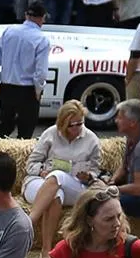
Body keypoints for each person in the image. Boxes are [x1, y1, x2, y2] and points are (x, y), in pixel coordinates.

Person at [22, 99, 104, 246]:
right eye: (73, 125)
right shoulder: (50, 134)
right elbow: (30, 164)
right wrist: (41, 171)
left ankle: (28, 224)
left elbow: (96, 170)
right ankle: (46, 249)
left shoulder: (91, 139)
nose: (78, 127)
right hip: (41, 182)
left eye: (81, 123)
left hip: (75, 185)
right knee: (56, 194)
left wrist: (89, 175)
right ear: (63, 124)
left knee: (58, 175)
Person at [0, 0, 51, 139]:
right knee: (25, 131)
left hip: (7, 87)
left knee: (4, 127)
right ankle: (19, 160)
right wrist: (38, 90)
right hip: (27, 89)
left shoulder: (9, 31)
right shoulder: (41, 39)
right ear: (42, 17)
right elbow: (41, 72)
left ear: (26, 15)